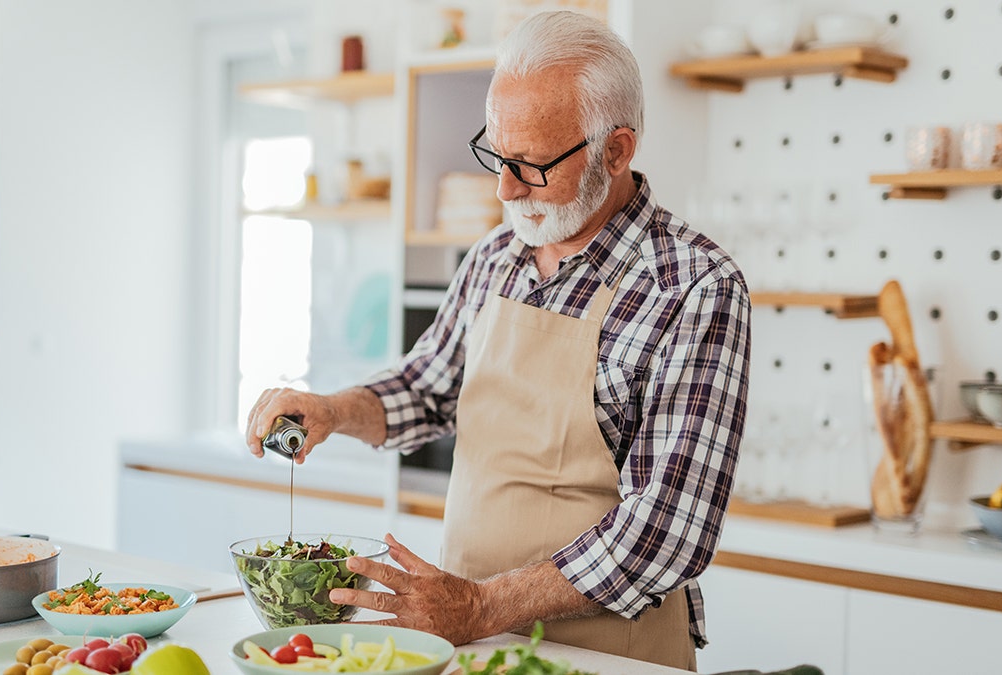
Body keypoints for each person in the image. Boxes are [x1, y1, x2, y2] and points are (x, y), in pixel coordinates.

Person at [246, 10, 750, 670]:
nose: (505, 188)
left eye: (533, 165)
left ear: (618, 150)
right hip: (470, 643)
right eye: (497, 154)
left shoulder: (694, 286)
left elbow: (667, 530)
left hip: (609, 656)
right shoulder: (495, 256)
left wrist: (483, 604)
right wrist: (335, 411)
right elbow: (427, 388)